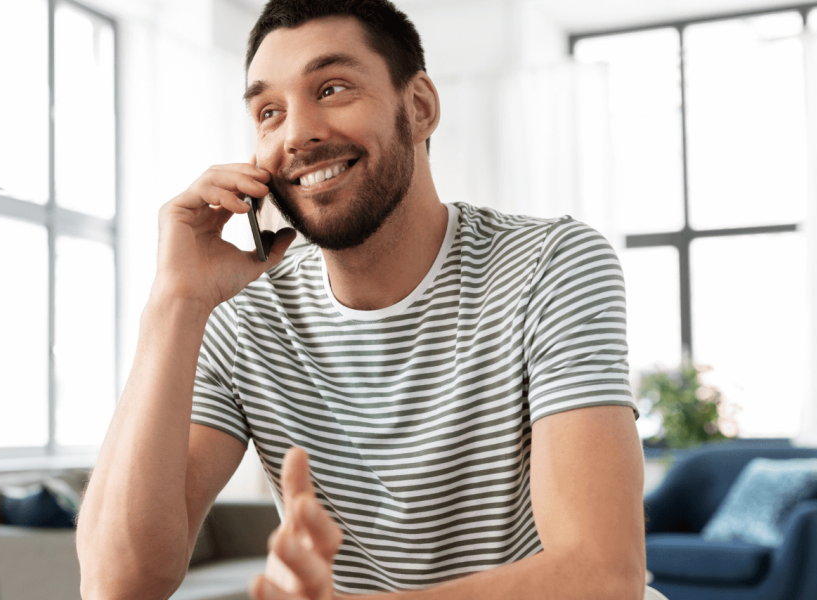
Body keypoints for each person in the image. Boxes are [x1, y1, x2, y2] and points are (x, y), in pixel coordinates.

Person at [76, 0, 647, 598]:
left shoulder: (550, 264)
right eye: (269, 112)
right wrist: (174, 303)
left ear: (419, 107)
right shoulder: (244, 313)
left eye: (333, 87)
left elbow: (601, 575)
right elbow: (117, 585)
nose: (297, 133)